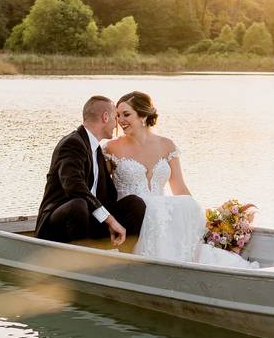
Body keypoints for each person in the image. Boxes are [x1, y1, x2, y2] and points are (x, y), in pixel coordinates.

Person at [103, 91, 258, 269]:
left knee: (185, 206)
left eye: (126, 114)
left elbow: (180, 189)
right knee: (156, 211)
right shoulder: (111, 148)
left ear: (143, 115)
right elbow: (101, 189)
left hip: (160, 214)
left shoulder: (167, 145)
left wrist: (199, 216)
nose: (120, 120)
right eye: (118, 115)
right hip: (131, 216)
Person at [36, 95, 146, 246]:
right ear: (105, 117)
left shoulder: (97, 150)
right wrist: (111, 220)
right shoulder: (72, 144)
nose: (117, 125)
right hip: (59, 225)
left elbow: (108, 195)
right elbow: (74, 187)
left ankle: (123, 261)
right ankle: (83, 262)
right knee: (78, 204)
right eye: (115, 118)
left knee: (135, 203)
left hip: (88, 223)